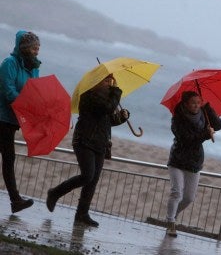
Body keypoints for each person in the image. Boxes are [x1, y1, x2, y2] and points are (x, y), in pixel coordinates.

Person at [46, 75, 129, 227]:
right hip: (84, 141)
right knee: (87, 175)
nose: (109, 84)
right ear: (95, 82)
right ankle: (55, 192)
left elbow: (107, 121)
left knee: (93, 180)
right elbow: (106, 108)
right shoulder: (89, 96)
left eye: (109, 81)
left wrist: (121, 118)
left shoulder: (106, 98)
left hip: (100, 143)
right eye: (105, 81)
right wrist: (116, 92)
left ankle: (82, 214)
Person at [165, 91, 221, 237]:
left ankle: (172, 216)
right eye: (193, 103)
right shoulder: (177, 118)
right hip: (178, 160)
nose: (196, 105)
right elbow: (187, 139)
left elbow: (218, 125)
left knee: (189, 197)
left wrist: (209, 108)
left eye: (198, 102)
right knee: (176, 192)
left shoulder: (204, 114)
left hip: (195, 161)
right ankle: (170, 222)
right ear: (185, 104)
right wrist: (205, 134)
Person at [0, 30, 41, 213]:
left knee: (8, 159)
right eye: (34, 47)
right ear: (24, 47)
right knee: (9, 158)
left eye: (38, 48)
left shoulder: (34, 67)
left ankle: (15, 201)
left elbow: (34, 92)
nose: (37, 51)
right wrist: (24, 106)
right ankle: (15, 200)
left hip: (12, 120)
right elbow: (8, 90)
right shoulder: (9, 63)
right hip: (1, 117)